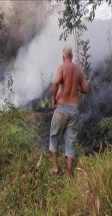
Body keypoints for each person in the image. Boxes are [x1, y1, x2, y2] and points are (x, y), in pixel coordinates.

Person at [49, 46, 88, 176]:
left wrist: (54, 99)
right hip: (74, 109)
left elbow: (55, 83)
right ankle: (70, 172)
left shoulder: (62, 68)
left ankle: (55, 167)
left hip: (62, 107)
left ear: (63, 56)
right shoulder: (78, 70)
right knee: (70, 141)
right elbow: (85, 89)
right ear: (72, 56)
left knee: (54, 135)